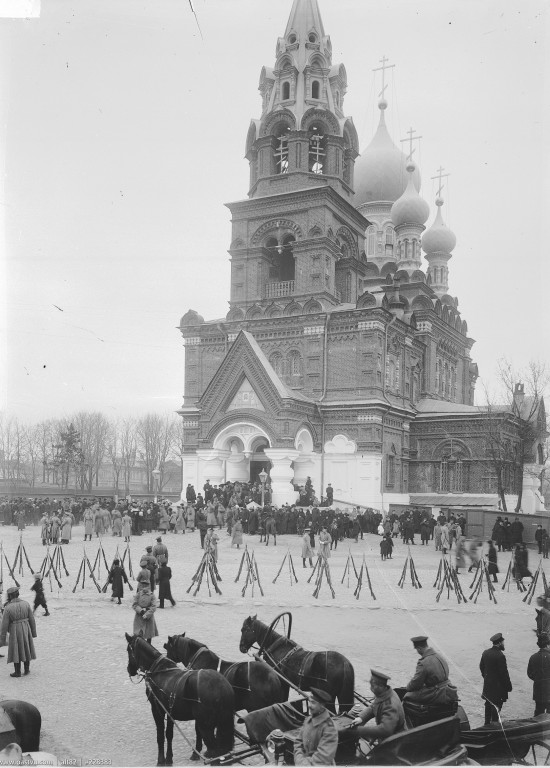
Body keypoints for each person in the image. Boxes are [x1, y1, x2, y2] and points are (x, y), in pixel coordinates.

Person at [349, 669, 405, 742]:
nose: (370, 688)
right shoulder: (384, 693)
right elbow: (374, 706)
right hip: (388, 738)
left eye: (372, 686)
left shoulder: (390, 705)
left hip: (395, 741)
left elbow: (385, 730)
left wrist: (357, 730)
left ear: (381, 686)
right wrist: (361, 718)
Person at [404, 636, 456, 707]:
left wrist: (408, 688)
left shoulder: (423, 662)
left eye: (417, 649)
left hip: (437, 693)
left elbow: (416, 684)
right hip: (448, 690)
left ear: (419, 648)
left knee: (407, 696)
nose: (417, 652)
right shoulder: (439, 656)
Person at [294, 687, 338, 766]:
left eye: (313, 703)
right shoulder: (308, 720)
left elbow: (323, 758)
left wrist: (303, 764)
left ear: (322, 706)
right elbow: (298, 742)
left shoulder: (329, 728)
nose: (309, 706)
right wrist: (299, 760)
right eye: (309, 702)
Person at [0, 586, 37, 677]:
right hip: (26, 628)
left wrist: (2, 638)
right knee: (26, 647)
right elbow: (32, 619)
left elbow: (4, 625)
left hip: (15, 629)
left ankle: (17, 672)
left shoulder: (8, 608)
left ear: (10, 596)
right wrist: (33, 632)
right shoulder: (26, 604)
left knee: (16, 649)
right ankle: (27, 669)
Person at [479, 632, 512, 724]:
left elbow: (481, 667)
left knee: (487, 709)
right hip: (498, 691)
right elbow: (504, 674)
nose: (504, 644)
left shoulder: (485, 653)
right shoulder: (500, 656)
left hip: (487, 688)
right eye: (503, 642)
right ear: (499, 643)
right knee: (495, 713)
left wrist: (486, 677)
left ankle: (485, 728)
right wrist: (509, 687)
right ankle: (494, 731)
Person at [527, 632, 550, 715]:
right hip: (549, 692)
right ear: (548, 644)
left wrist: (538, 679)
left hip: (538, 690)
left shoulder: (533, 657)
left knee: (538, 713)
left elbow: (529, 674)